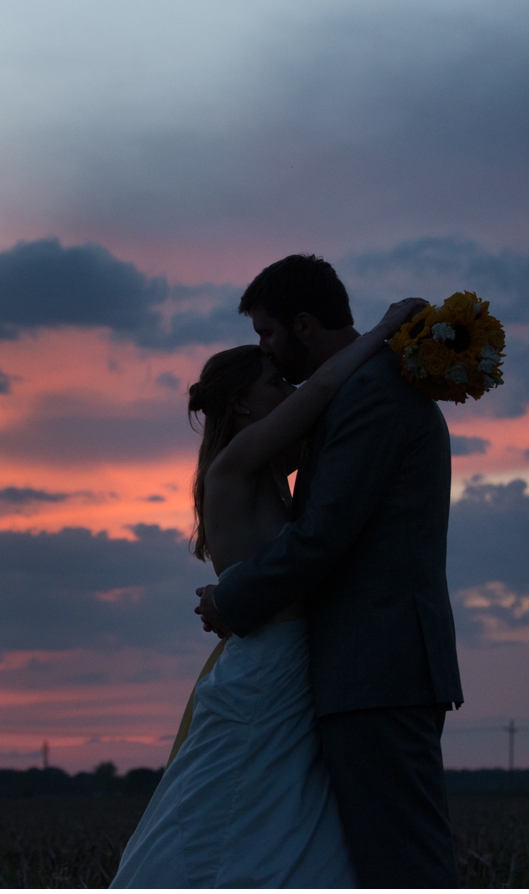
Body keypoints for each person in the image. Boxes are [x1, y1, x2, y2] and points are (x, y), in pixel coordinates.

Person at [112, 291, 427, 889]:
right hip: (267, 669)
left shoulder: (266, 472)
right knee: (229, 807)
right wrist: (385, 329)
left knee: (285, 812)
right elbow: (322, 391)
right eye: (273, 384)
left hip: (291, 662)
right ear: (242, 405)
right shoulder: (232, 466)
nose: (287, 390)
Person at [196, 254, 464, 888]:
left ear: (305, 325)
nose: (263, 347)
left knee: (403, 866)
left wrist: (231, 599)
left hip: (379, 669)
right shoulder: (357, 390)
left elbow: (321, 538)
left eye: (266, 332)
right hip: (362, 670)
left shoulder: (373, 392)